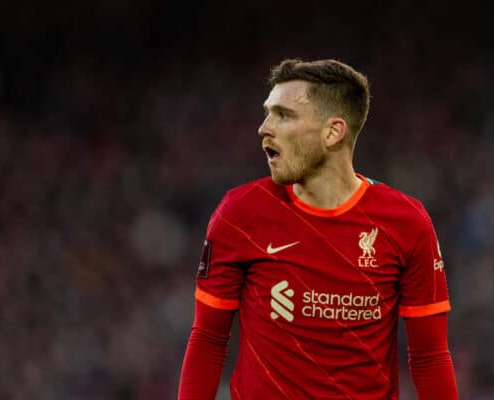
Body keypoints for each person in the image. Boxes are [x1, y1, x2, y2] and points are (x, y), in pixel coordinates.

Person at [177, 58, 458, 399]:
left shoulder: (406, 222)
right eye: (268, 113)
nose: (264, 127)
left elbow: (429, 357)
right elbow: (208, 339)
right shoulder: (240, 214)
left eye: (283, 115)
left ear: (332, 132)